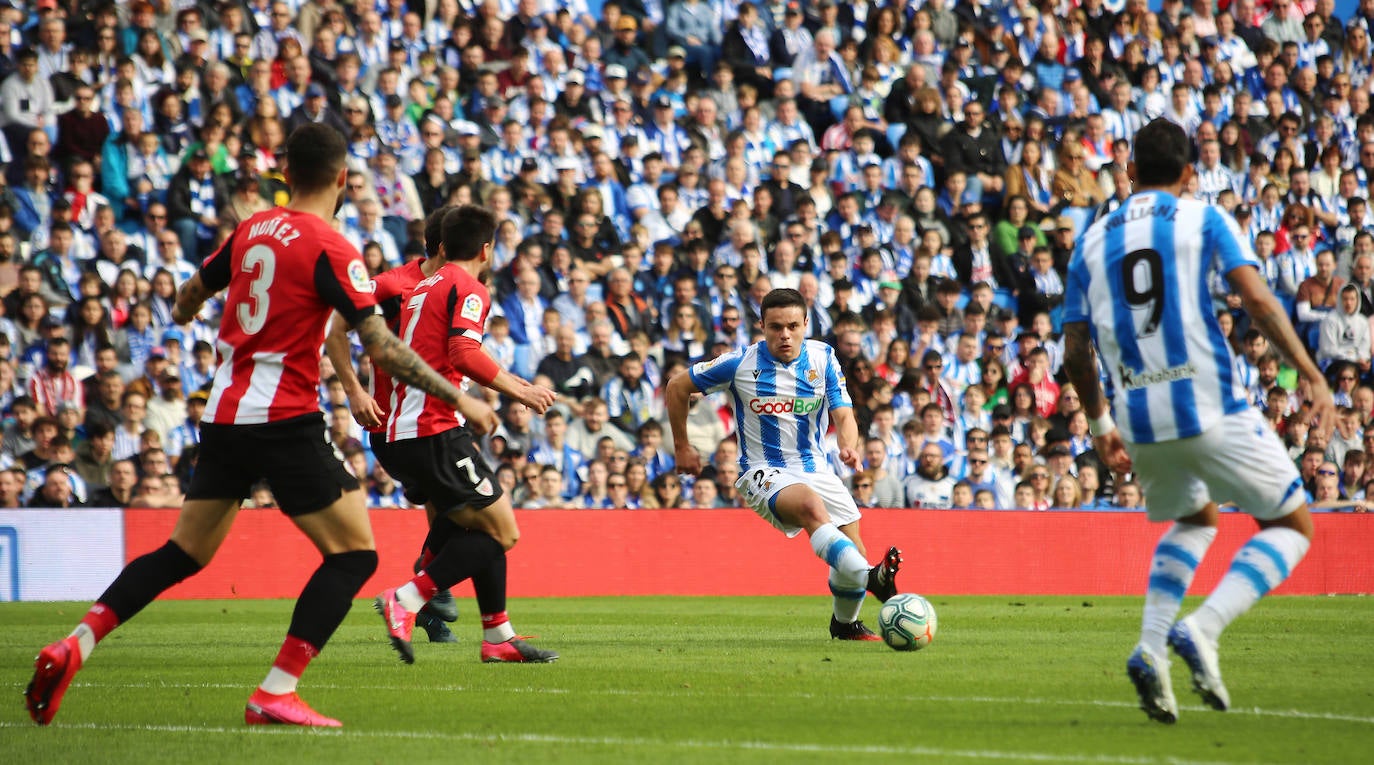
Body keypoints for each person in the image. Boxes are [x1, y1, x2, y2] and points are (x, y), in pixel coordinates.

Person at [24, 123, 469, 729]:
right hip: (283, 418)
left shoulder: (252, 229)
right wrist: (462, 399)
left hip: (224, 418)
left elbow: (189, 293)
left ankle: (76, 641)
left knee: (183, 552)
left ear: (286, 174)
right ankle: (276, 691)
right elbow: (383, 349)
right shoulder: (334, 249)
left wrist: (184, 311)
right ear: (342, 179)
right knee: (354, 556)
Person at [1062, 119, 1335, 725]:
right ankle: (1202, 628)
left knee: (1196, 518)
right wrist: (1311, 375)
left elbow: (1075, 349)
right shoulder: (1204, 218)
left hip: (1138, 419)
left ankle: (1149, 646)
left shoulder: (1092, 238)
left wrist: (1101, 422)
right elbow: (1259, 301)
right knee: (1291, 525)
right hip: (1210, 404)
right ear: (1189, 174)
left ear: (1129, 172)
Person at [367, 204, 559, 665]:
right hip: (432, 427)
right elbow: (463, 350)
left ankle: (498, 636)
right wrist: (520, 389)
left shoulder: (423, 286)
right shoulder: (467, 286)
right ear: (487, 249)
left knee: (478, 521)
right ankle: (408, 598)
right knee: (503, 531)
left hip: (404, 427)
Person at [665, 288, 902, 641]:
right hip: (763, 470)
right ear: (761, 326)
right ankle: (873, 579)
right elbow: (676, 387)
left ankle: (845, 625)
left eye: (793, 325)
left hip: (816, 468)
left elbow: (844, 413)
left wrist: (848, 444)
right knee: (810, 507)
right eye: (775, 327)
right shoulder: (739, 364)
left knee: (851, 552)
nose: (785, 335)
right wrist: (682, 446)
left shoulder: (823, 358)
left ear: (806, 323)